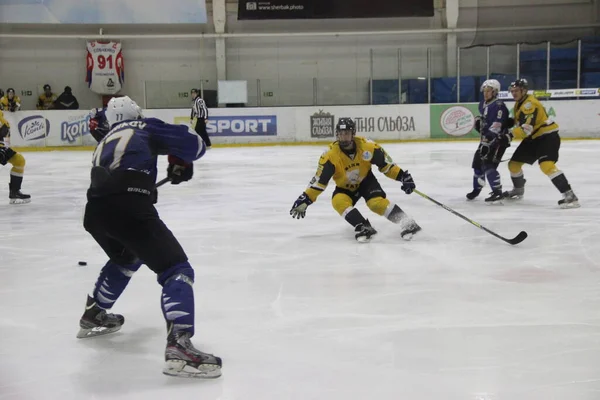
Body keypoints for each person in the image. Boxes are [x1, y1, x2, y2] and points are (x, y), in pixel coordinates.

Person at [77, 96, 222, 378]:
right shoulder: (143, 126)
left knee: (128, 256)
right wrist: (186, 151)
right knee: (177, 269)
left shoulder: (107, 137)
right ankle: (179, 345)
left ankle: (94, 312)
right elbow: (195, 145)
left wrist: (149, 184)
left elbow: (119, 176)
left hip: (95, 212)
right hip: (127, 206)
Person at [290, 117, 420, 242]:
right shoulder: (330, 156)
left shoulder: (368, 147)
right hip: (344, 188)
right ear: (337, 134)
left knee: (376, 203)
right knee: (338, 201)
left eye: (346, 133)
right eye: (341, 134)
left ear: (353, 134)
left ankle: (408, 223)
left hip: (366, 182)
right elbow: (320, 181)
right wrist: (306, 198)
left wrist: (402, 176)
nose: (343, 137)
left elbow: (386, 166)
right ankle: (364, 226)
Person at [503, 79, 579, 208]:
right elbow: (520, 121)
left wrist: (509, 135)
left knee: (546, 165)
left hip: (547, 137)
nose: (514, 93)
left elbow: (527, 128)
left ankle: (570, 195)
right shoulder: (519, 103)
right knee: (513, 165)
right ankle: (518, 190)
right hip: (534, 138)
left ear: (524, 90)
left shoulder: (529, 104)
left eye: (516, 91)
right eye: (512, 91)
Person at [466, 79, 513, 203]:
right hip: (485, 140)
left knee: (488, 165)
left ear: (495, 92)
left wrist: (489, 137)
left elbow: (497, 125)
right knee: (477, 164)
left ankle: (497, 192)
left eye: (489, 91)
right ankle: (476, 189)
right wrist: (479, 123)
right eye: (484, 91)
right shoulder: (482, 104)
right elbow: (485, 120)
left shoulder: (499, 106)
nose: (485, 93)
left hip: (498, 141)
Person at [0, 110, 30, 204]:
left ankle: (14, 192)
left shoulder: (3, 119)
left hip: (1, 147)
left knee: (19, 161)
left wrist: (4, 148)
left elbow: (5, 138)